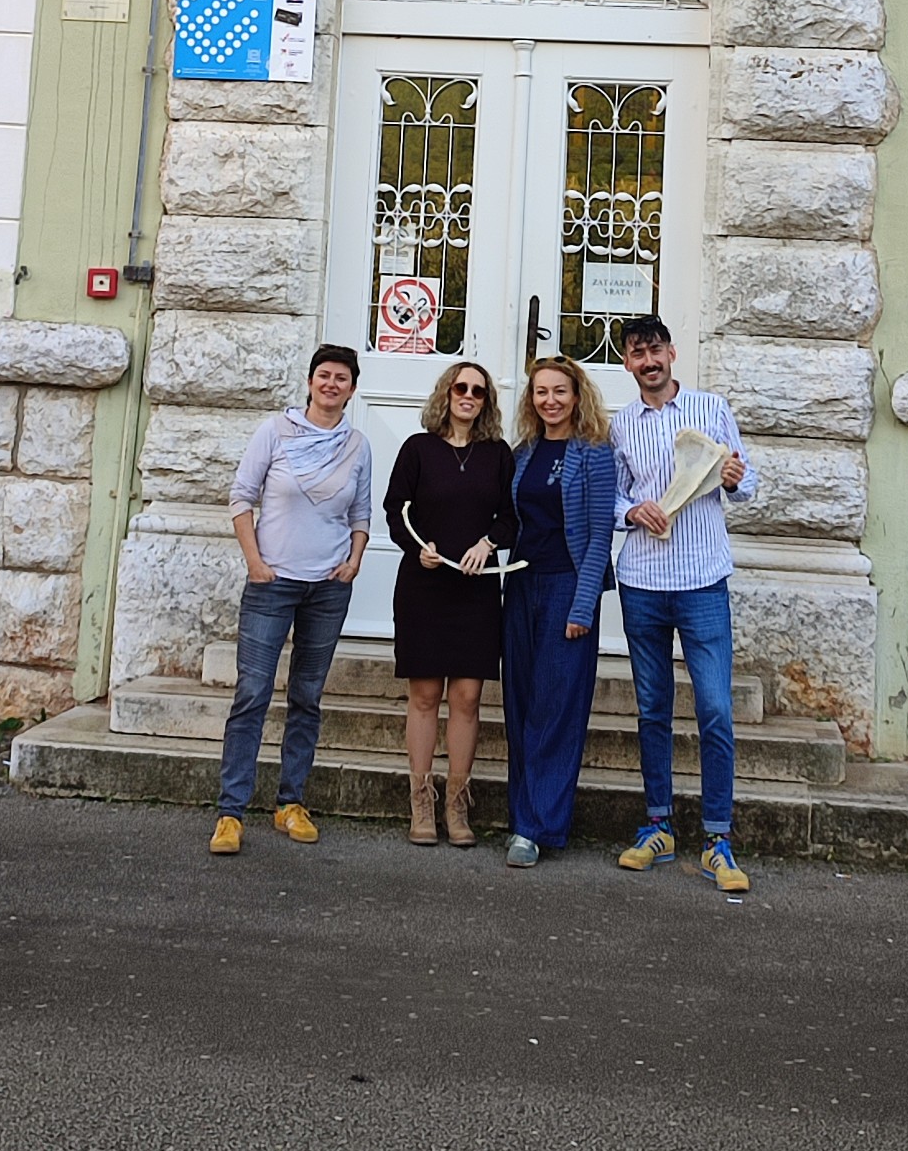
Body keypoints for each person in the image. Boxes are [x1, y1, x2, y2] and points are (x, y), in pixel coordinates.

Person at [608, 315, 757, 896]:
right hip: (642, 580)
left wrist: (735, 477)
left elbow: (746, 483)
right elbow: (610, 495)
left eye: (655, 350)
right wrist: (630, 510)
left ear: (671, 353)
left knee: (715, 708)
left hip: (701, 579)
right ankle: (659, 826)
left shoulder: (710, 410)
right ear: (626, 362)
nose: (648, 361)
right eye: (636, 354)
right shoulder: (621, 424)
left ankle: (718, 838)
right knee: (653, 708)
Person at [209, 345, 373, 856]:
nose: (331, 384)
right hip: (272, 584)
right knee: (252, 693)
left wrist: (355, 559)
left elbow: (361, 512)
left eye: (341, 378)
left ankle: (290, 803)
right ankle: (231, 812)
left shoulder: (357, 445)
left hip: (328, 587)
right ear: (309, 382)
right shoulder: (275, 432)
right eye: (323, 375)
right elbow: (241, 497)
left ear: (352, 388)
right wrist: (255, 562)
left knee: (306, 696)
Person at [383, 359, 516, 848]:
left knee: (467, 699)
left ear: (486, 402)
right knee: (424, 696)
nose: (468, 396)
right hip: (425, 586)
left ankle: (457, 805)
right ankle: (421, 802)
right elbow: (395, 511)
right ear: (446, 392)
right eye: (461, 387)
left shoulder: (498, 454)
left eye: (478, 391)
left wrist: (488, 542)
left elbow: (511, 517)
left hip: (475, 590)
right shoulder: (417, 449)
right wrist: (418, 548)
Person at [500, 354, 616, 869]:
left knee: (556, 708)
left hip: (567, 585)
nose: (550, 400)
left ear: (576, 396)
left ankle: (535, 827)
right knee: (521, 704)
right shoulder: (523, 452)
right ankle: (522, 814)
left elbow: (599, 535)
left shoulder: (595, 452)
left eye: (559, 391)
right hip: (521, 585)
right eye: (541, 391)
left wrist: (583, 604)